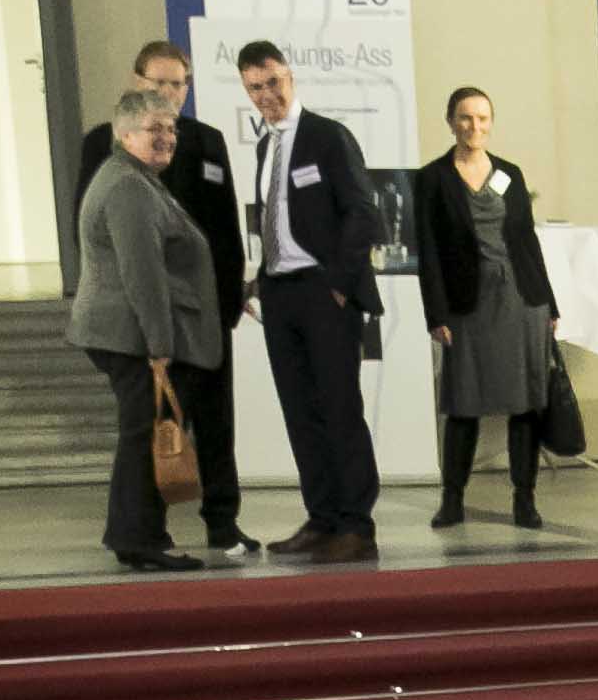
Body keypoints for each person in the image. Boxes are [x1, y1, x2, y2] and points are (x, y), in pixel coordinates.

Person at [71, 41, 251, 558]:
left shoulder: (152, 170)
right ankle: (141, 537)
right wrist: (160, 343)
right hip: (142, 327)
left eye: (170, 127)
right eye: (155, 129)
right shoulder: (126, 179)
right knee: (145, 432)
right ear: (125, 132)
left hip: (182, 321)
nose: (166, 135)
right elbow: (141, 270)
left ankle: (138, 533)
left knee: (149, 431)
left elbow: (221, 231)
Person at [234, 38, 383, 563]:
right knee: (300, 412)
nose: (266, 94)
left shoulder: (327, 137)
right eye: (255, 87)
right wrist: (258, 281)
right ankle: (322, 518)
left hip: (324, 292)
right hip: (280, 294)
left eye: (273, 82)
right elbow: (277, 220)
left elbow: (363, 213)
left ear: (290, 77)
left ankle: (356, 525)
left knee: (340, 409)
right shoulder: (265, 147)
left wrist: (338, 284)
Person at [412, 85, 563, 531]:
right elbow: (429, 252)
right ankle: (452, 500)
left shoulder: (509, 174)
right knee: (463, 403)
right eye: (465, 117)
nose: (474, 126)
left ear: (491, 122)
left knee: (525, 405)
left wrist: (551, 304)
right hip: (466, 304)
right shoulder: (433, 178)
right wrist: (436, 314)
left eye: (482, 118)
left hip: (521, 300)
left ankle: (525, 500)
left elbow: (527, 241)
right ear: (450, 121)